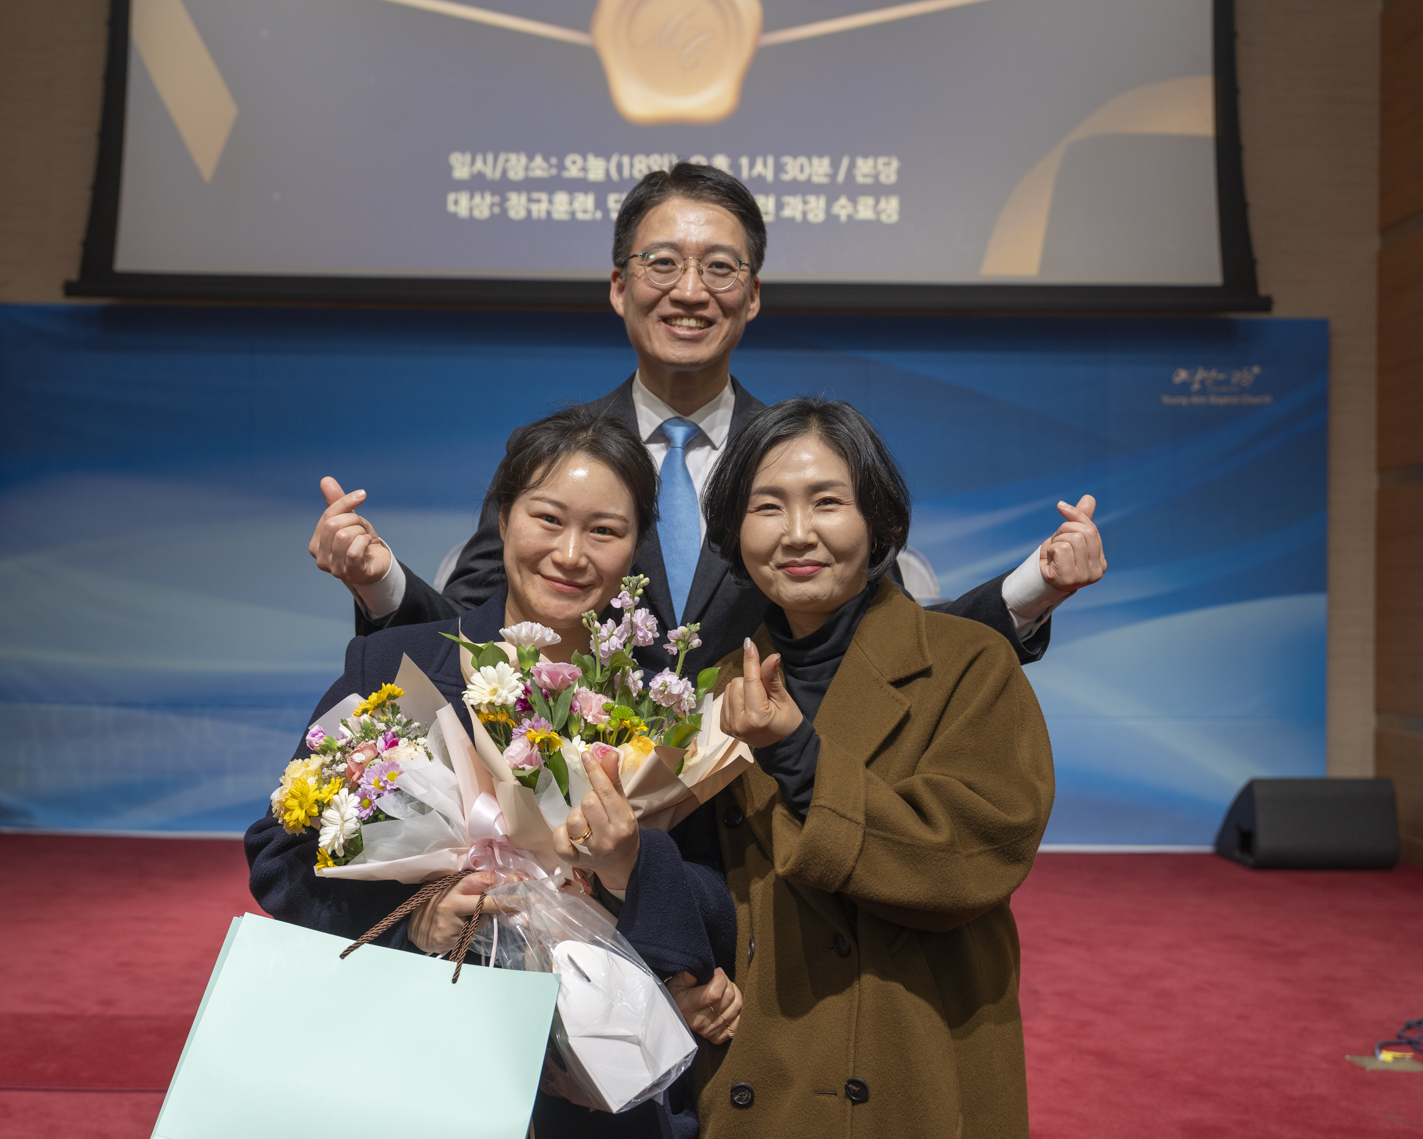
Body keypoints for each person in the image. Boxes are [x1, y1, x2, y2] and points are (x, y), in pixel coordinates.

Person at [307, 163, 1105, 675]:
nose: (690, 291)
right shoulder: (556, 458)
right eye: (662, 263)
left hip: (765, 803)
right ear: (618, 286)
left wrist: (1036, 586)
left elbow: (901, 638)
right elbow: (472, 631)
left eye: (720, 268)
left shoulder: (802, 456)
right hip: (580, 796)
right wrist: (378, 580)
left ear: (752, 296)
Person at [246, 407, 739, 1139]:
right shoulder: (404, 666)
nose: (570, 554)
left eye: (604, 530)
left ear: (637, 546)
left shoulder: (661, 702)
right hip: (425, 1073)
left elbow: (720, 899)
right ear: (503, 518)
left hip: (605, 1098)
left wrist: (633, 869)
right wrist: (417, 927)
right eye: (548, 518)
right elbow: (281, 858)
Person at [692, 397, 1057, 1138]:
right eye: (768, 506)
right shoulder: (712, 688)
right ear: (733, 528)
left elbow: (969, 857)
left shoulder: (969, 663)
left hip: (912, 1057)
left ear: (879, 521)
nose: (798, 532)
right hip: (761, 1059)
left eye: (827, 502)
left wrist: (797, 754)